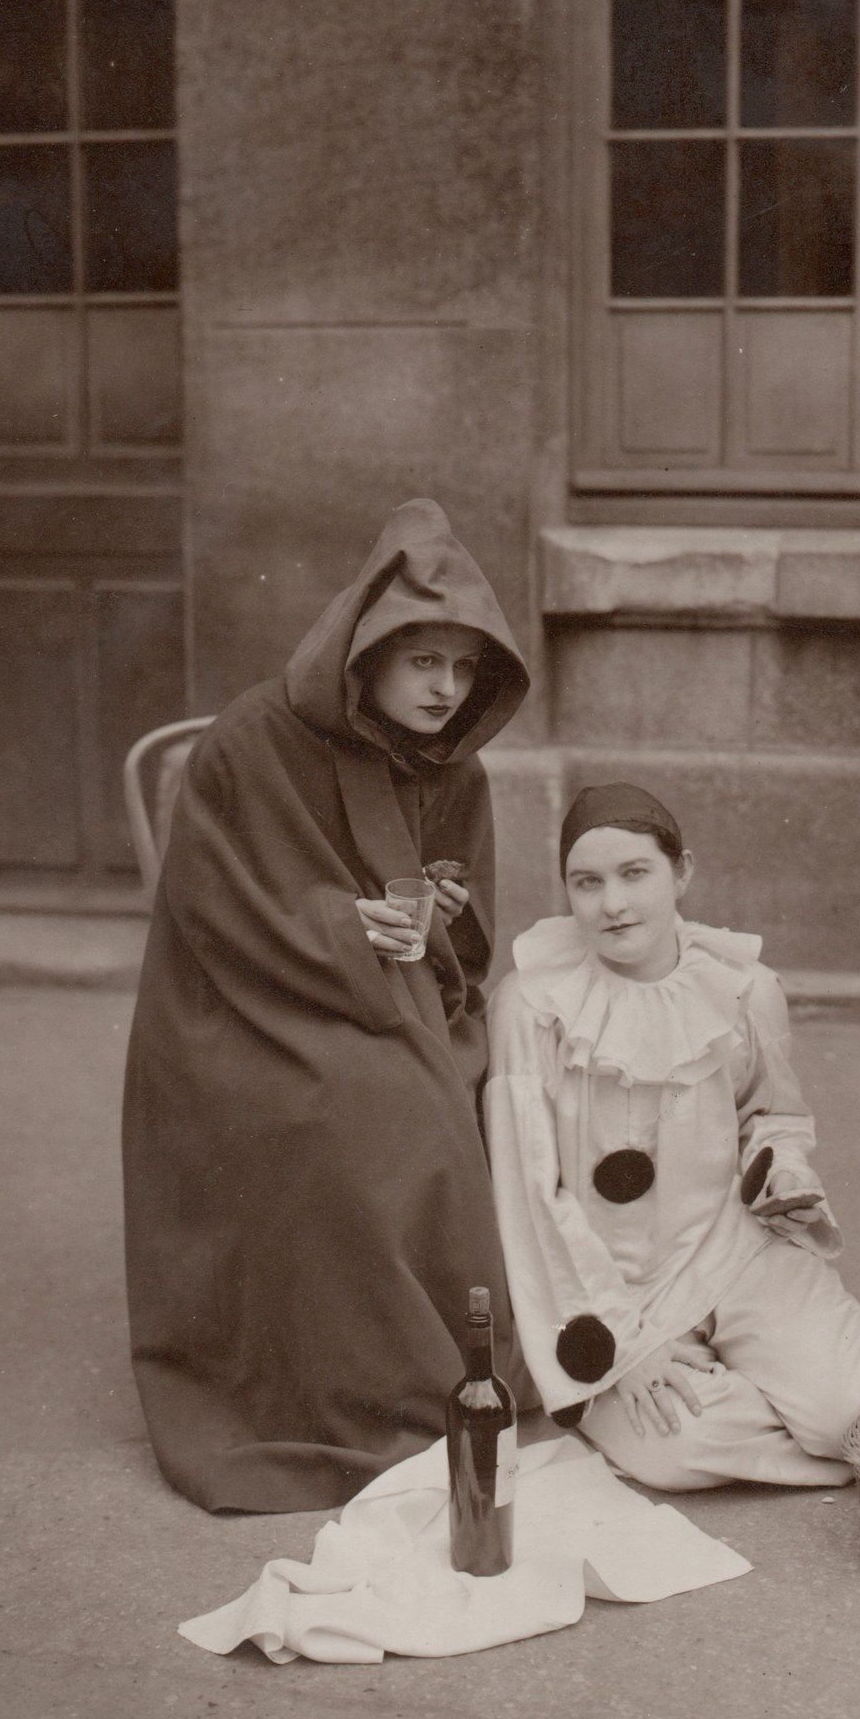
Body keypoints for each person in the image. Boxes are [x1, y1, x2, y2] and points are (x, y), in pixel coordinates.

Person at [123, 499, 530, 1513]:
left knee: (494, 1073)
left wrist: (438, 920)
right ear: (367, 653)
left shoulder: (453, 761)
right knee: (368, 1111)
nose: (445, 690)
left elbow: (466, 915)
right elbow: (217, 911)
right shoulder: (247, 744)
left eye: (464, 667)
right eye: (423, 661)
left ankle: (468, 1367)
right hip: (248, 1009)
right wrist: (353, 934)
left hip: (396, 997)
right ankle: (377, 1396)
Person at [482, 782, 860, 1492]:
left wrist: (783, 1172)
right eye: (588, 883)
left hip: (733, 1252)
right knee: (675, 1454)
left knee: (835, 1418)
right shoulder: (530, 1005)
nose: (612, 903)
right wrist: (627, 1347)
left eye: (635, 874)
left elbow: (773, 1117)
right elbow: (530, 1194)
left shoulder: (743, 988)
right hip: (620, 1286)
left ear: (682, 873)